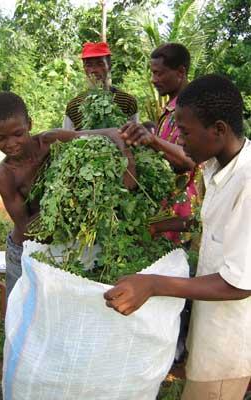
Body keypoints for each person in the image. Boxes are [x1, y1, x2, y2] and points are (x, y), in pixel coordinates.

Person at [104, 74, 251, 400]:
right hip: (211, 325)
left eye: (184, 132)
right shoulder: (217, 167)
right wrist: (163, 225)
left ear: (219, 130)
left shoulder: (247, 183)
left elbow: (239, 284)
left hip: (228, 347)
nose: (180, 141)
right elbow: (215, 231)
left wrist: (153, 284)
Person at [0, 92, 136, 299]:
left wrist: (126, 155)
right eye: (1, 138)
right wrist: (65, 197)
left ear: (29, 124)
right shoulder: (3, 175)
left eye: (18, 134)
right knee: (20, 307)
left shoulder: (50, 141)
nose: (11, 144)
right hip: (24, 250)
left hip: (57, 244)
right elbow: (28, 229)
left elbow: (111, 133)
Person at [119, 43, 199, 242]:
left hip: (184, 218)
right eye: (152, 73)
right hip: (166, 213)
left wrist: (153, 141)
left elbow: (188, 160)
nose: (154, 80)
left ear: (180, 72)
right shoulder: (168, 111)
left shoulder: (190, 109)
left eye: (159, 73)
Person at [63, 42, 138, 130]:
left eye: (100, 64)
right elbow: (66, 138)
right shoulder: (74, 106)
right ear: (84, 68)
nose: (94, 70)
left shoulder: (127, 102)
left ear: (109, 66)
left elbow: (135, 137)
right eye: (89, 65)